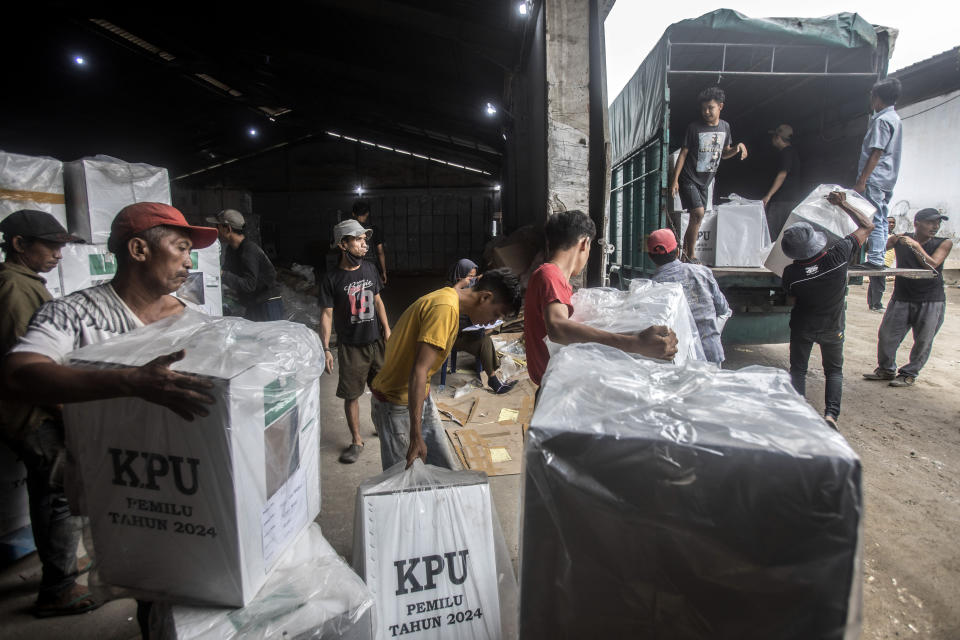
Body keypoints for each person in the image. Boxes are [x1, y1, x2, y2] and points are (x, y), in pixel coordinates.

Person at [1, 203, 217, 630]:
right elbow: (20, 373)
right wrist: (128, 383)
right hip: (120, 485)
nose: (188, 260)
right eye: (180, 247)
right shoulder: (75, 314)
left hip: (189, 481)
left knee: (193, 588)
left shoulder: (193, 321)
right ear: (139, 249)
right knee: (149, 585)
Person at [0, 210, 88, 617]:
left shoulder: (25, 284)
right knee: (58, 497)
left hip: (33, 411)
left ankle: (61, 566)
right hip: (34, 415)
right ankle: (58, 589)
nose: (58, 254)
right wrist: (67, 412)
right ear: (19, 244)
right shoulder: (14, 289)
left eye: (61, 246)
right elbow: (30, 368)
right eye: (50, 245)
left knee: (49, 493)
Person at [370, 268, 521, 470]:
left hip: (419, 396)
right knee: (403, 484)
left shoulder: (451, 296)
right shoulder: (444, 309)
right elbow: (419, 372)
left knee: (444, 470)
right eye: (495, 315)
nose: (493, 322)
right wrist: (415, 435)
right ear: (485, 297)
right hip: (396, 402)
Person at [524, 210, 679, 394]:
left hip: (555, 386)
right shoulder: (549, 275)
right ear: (584, 243)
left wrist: (636, 335)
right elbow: (558, 328)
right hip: (554, 390)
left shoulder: (552, 278)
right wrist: (634, 343)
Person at [780, 191, 874, 428]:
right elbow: (868, 225)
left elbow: (791, 299)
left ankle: (798, 412)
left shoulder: (791, 274)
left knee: (798, 370)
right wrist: (844, 204)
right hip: (832, 327)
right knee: (833, 371)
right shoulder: (838, 255)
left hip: (803, 327)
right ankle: (831, 415)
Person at [318, 219, 390, 464]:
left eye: (364, 240)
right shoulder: (331, 279)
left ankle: (382, 426)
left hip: (376, 342)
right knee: (352, 395)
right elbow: (326, 314)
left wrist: (388, 330)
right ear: (343, 244)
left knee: (383, 390)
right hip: (351, 347)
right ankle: (357, 440)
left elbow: (378, 300)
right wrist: (326, 347)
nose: (364, 245)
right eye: (358, 240)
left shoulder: (369, 269)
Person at [863, 208, 952, 388]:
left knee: (923, 341)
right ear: (916, 223)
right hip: (902, 296)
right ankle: (886, 369)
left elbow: (932, 265)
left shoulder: (944, 243)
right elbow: (876, 248)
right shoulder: (900, 239)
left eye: (938, 223)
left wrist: (916, 246)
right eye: (930, 222)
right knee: (887, 335)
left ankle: (909, 374)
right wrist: (877, 233)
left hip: (931, 300)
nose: (935, 226)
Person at [670, 86, 748, 263]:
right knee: (697, 213)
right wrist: (675, 180)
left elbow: (724, 153)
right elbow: (683, 153)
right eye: (703, 108)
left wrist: (737, 148)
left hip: (706, 181)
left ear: (720, 106)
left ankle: (684, 253)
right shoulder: (694, 128)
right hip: (689, 177)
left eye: (710, 108)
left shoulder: (725, 127)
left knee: (697, 217)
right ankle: (691, 255)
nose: (706, 112)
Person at [647, 228, 731, 365]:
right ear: (678, 251)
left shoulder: (653, 287)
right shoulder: (703, 272)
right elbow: (723, 309)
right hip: (711, 354)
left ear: (650, 257)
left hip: (680, 362)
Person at [854, 78, 903, 312]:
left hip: (876, 177)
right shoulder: (896, 118)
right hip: (887, 177)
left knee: (873, 219)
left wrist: (862, 180)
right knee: (881, 218)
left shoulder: (882, 120)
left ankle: (874, 259)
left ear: (877, 98)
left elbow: (876, 152)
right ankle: (876, 256)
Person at [447, 258, 516, 394]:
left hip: (465, 333)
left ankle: (494, 376)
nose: (471, 280)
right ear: (459, 275)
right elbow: (456, 321)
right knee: (484, 341)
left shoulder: (470, 290)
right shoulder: (450, 293)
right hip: (453, 337)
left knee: (486, 340)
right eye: (469, 276)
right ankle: (493, 379)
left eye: (473, 276)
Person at [206, 209, 283, 321]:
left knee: (269, 337)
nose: (215, 230)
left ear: (228, 229)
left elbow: (249, 285)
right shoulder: (231, 250)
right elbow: (227, 272)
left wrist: (222, 274)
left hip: (267, 303)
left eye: (217, 227)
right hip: (253, 303)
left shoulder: (249, 250)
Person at [761, 124, 801, 237]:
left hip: (782, 201)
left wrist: (768, 195)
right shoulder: (792, 152)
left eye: (773, 137)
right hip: (791, 200)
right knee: (786, 235)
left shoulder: (786, 153)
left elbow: (782, 175)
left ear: (778, 137)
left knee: (772, 234)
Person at [350, 200, 387, 285]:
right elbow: (380, 252)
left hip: (352, 268)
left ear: (353, 214)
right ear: (367, 214)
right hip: (371, 267)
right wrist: (384, 271)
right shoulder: (373, 229)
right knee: (371, 293)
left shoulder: (347, 231)